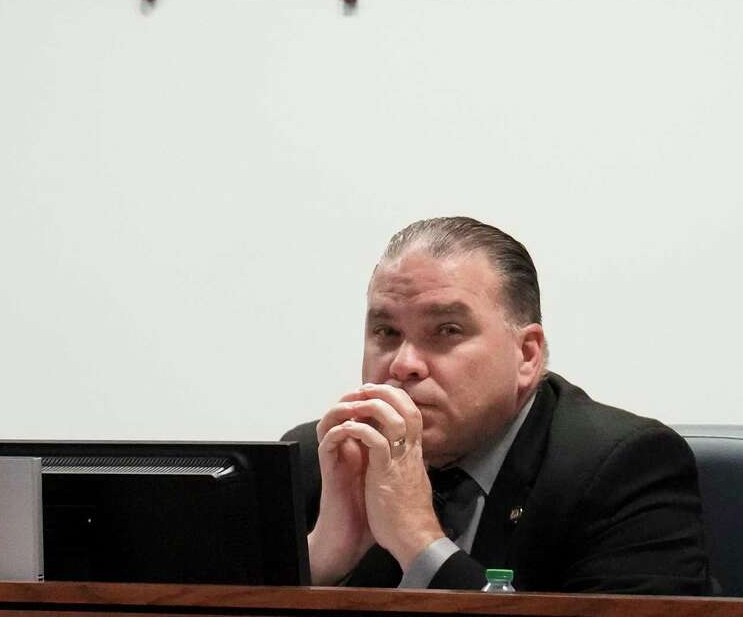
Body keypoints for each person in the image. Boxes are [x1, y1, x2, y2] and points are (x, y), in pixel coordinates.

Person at [283, 217, 711, 593]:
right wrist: (318, 561)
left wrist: (420, 543)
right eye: (386, 332)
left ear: (526, 355)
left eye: (447, 330)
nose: (403, 364)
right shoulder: (322, 461)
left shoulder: (623, 471)